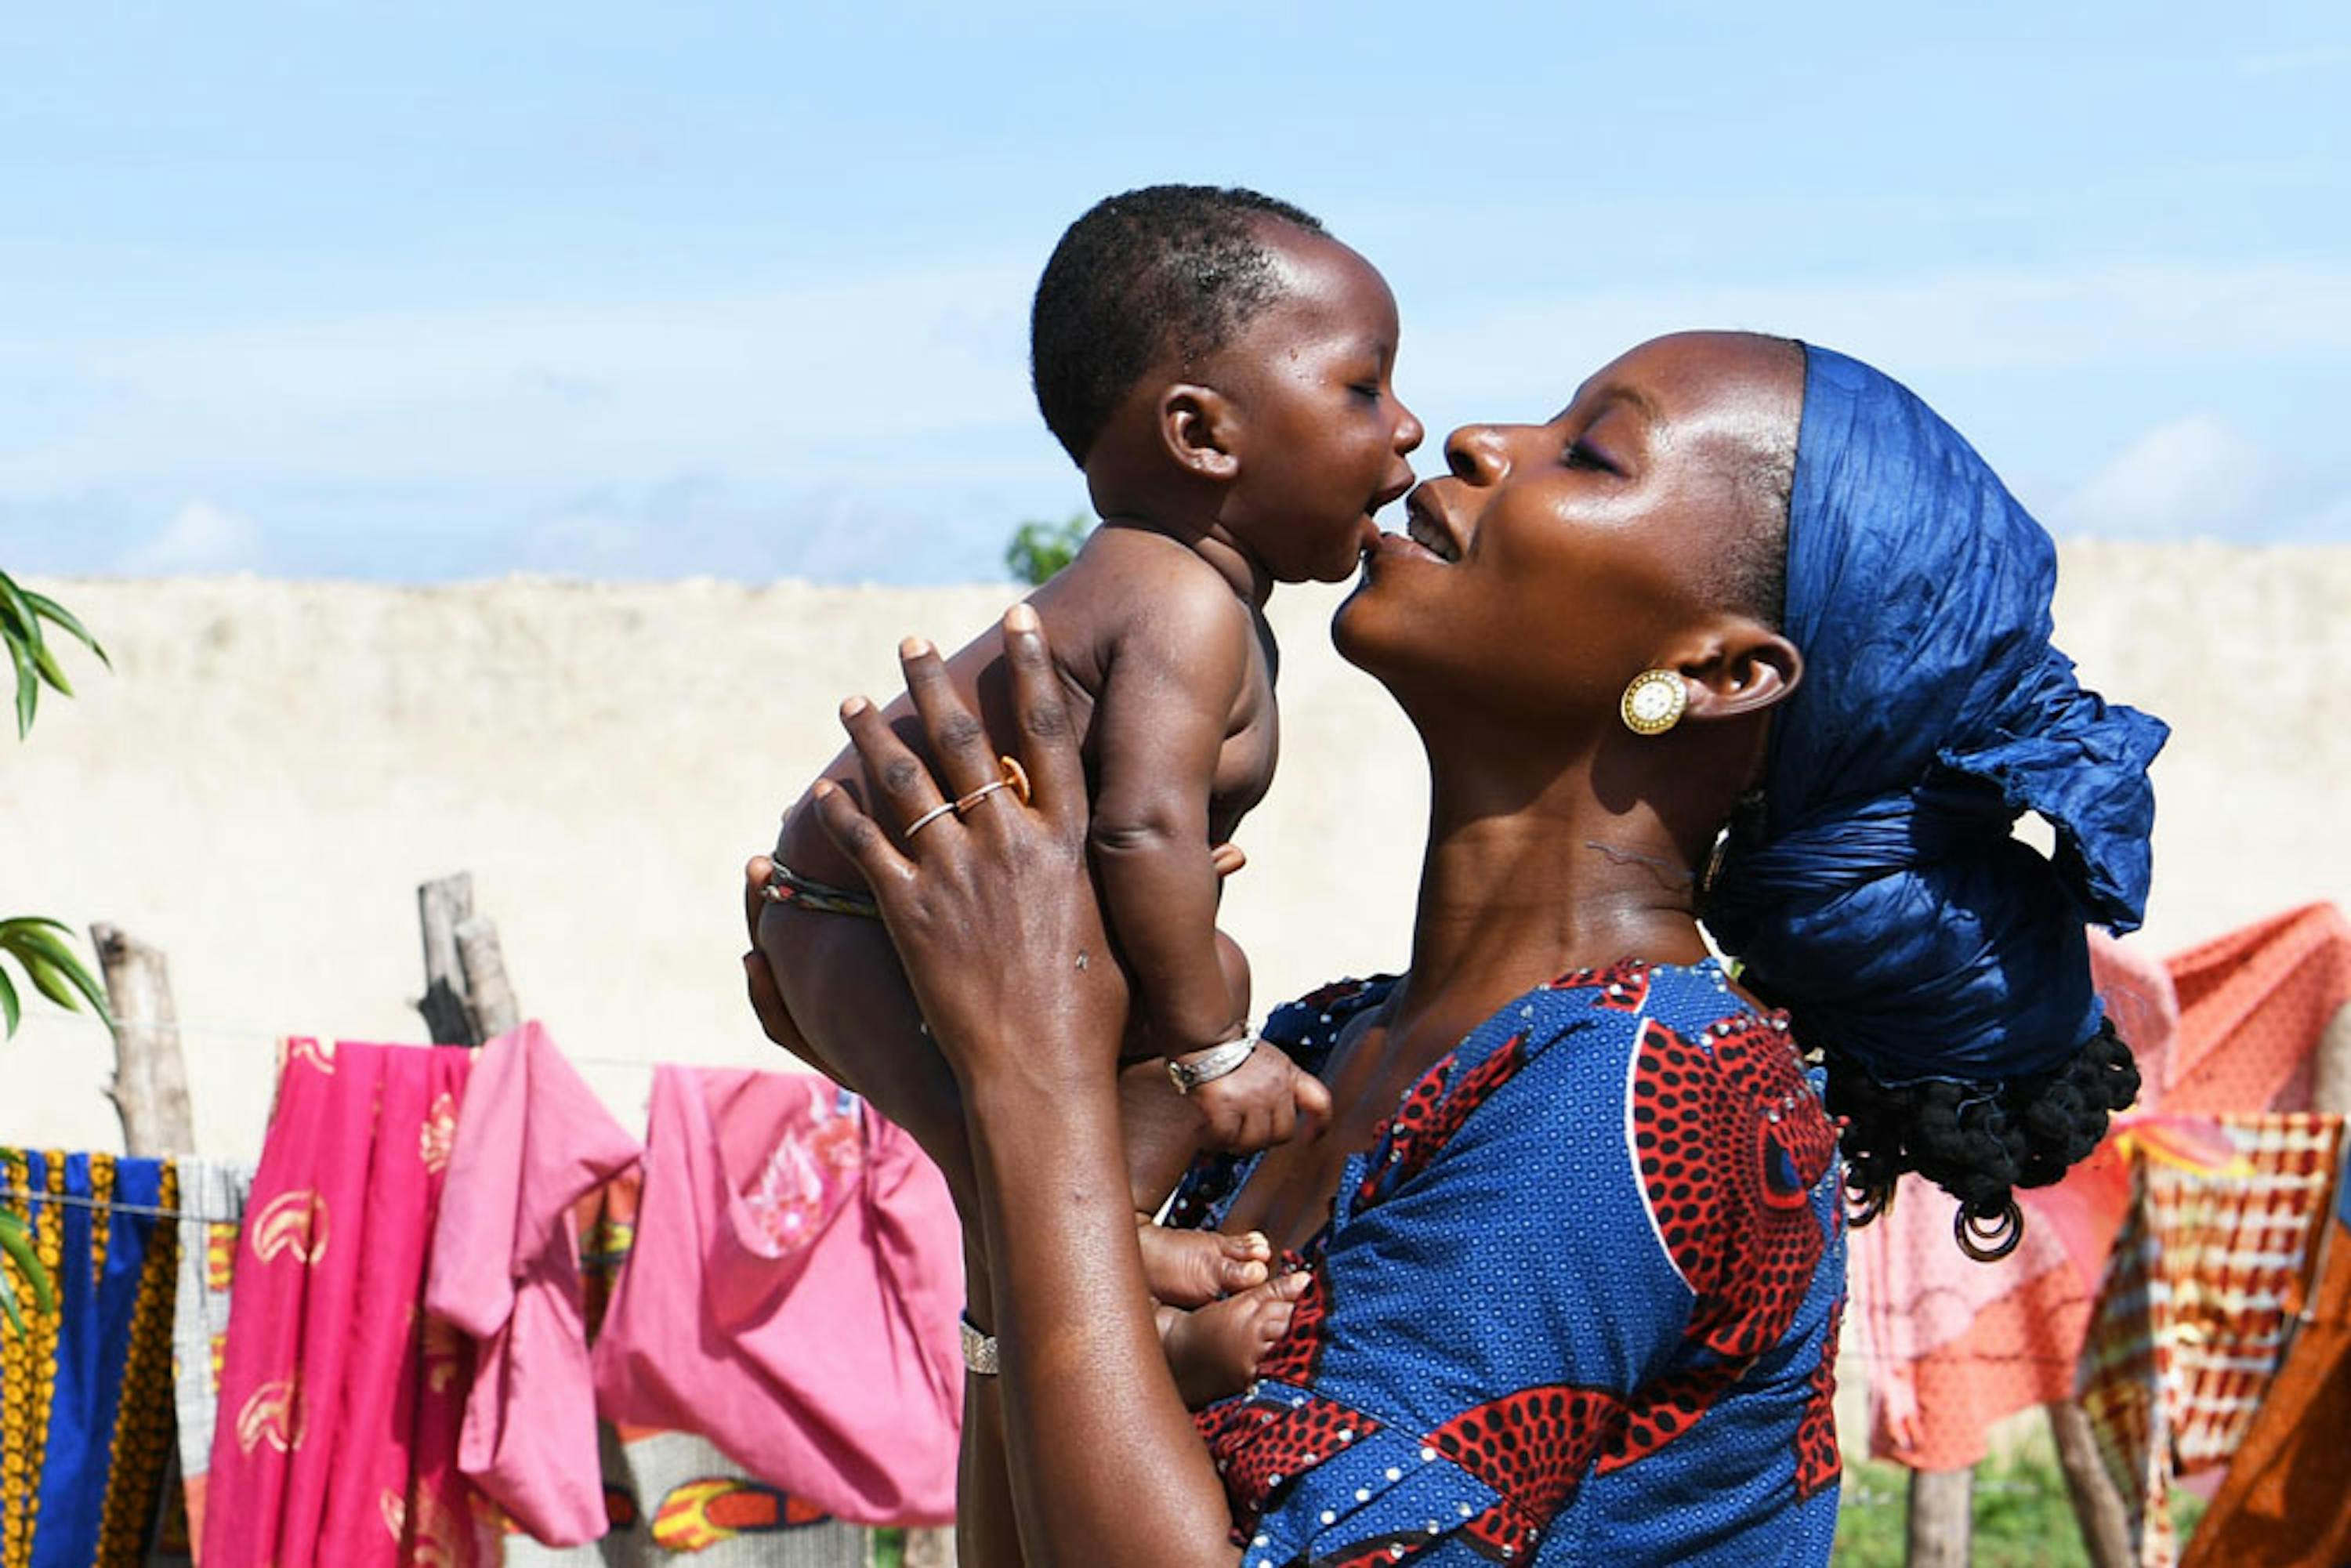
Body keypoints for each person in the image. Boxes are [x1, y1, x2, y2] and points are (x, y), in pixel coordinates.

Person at [752, 330, 2166, 1565]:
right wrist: (1016, 1157)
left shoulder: (1648, 1101)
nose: (1481, 439)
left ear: (1722, 672)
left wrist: (1031, 1081)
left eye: (1593, 456)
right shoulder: (1309, 1051)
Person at [751, 184, 1422, 1225]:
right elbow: (1142, 826)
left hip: (903, 921)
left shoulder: (1197, 598)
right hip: (841, 913)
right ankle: (1099, 1255)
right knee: (1002, 1152)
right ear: (1202, 433)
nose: (1409, 424)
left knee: (1209, 975)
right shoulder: (1180, 601)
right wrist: (1217, 1054)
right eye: (1364, 390)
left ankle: (1113, 1269)